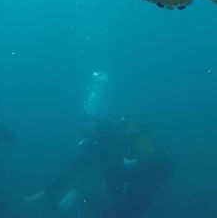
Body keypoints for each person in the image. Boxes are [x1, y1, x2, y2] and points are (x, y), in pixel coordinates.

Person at [26, 73, 172, 217]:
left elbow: (77, 167)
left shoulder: (100, 136)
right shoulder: (117, 129)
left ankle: (81, 200)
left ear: (92, 121)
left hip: (130, 195)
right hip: (145, 188)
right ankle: (83, 200)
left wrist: (50, 189)